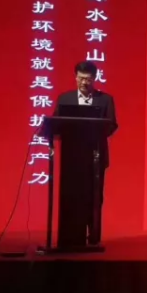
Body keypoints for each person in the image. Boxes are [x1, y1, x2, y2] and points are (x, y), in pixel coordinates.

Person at [53, 61, 118, 246]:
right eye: (80, 78)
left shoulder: (105, 100)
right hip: (71, 158)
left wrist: (95, 131)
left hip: (96, 156)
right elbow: (56, 123)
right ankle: (71, 235)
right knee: (72, 195)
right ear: (75, 77)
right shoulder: (64, 99)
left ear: (94, 79)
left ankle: (94, 235)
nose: (84, 83)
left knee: (94, 196)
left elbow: (112, 124)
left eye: (88, 79)